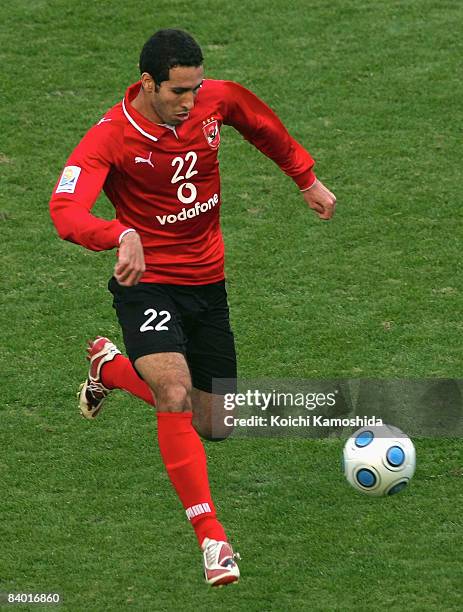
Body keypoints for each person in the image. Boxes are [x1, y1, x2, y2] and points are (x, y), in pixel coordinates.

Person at [49, 28, 336, 587]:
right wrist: (117, 234)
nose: (190, 100)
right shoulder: (108, 138)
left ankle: (109, 368)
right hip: (147, 283)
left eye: (195, 87)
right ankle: (212, 539)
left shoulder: (214, 99)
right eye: (179, 91)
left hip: (208, 282)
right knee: (174, 391)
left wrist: (306, 178)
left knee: (216, 422)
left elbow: (262, 125)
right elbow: (65, 210)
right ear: (147, 83)